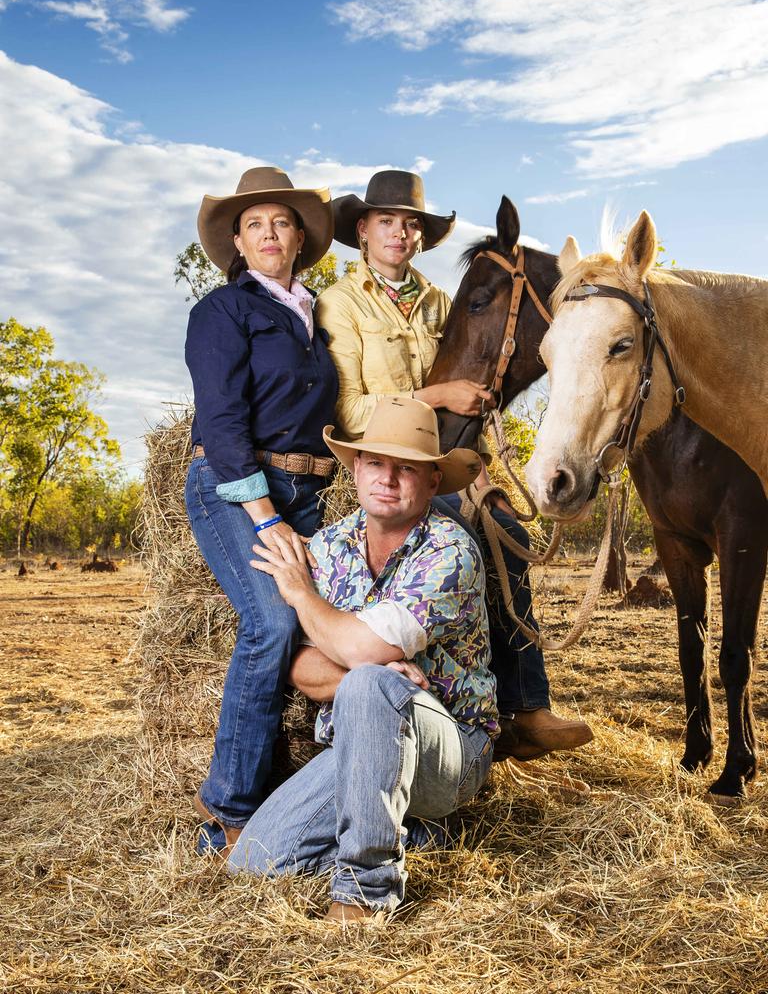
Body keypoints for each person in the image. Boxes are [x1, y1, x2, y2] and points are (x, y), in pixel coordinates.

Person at [315, 170, 592, 759]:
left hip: (435, 465)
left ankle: (524, 707)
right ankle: (463, 707)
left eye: (411, 223)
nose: (400, 232)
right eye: (387, 221)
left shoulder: (443, 304)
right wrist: (435, 399)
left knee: (504, 528)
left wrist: (483, 480)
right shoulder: (339, 303)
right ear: (362, 230)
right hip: (375, 464)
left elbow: (471, 396)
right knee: (458, 540)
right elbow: (349, 409)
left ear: (421, 237)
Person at [227, 397, 498, 921]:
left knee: (371, 683)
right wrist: (361, 669)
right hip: (358, 749)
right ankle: (411, 829)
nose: (387, 479)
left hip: (451, 749)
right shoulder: (327, 549)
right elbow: (298, 665)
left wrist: (306, 599)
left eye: (406, 468)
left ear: (434, 480)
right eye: (375, 462)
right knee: (253, 863)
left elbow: (364, 651)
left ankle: (366, 891)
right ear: (355, 468)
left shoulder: (450, 552)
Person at [185, 166, 339, 856]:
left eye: (281, 222)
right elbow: (220, 426)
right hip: (235, 485)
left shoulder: (318, 315)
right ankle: (230, 808)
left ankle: (304, 780)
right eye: (255, 225)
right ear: (238, 246)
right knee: (273, 621)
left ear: (300, 237)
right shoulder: (222, 313)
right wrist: (268, 518)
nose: (269, 234)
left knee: (327, 624)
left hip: (310, 490)